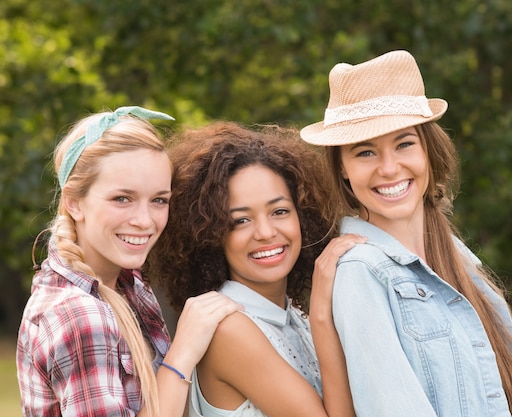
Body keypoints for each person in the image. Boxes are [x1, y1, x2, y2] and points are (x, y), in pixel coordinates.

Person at [300, 50, 512, 417]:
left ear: (429, 152)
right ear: (343, 170)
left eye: (404, 144)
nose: (389, 168)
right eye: (365, 152)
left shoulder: (456, 256)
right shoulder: (360, 272)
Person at [16, 106, 242, 417]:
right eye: (122, 198)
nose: (144, 221)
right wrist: (182, 353)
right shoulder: (79, 314)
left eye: (159, 200)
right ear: (73, 203)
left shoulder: (128, 283)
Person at [149, 121, 365, 417]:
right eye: (240, 220)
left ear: (302, 216)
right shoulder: (230, 329)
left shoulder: (292, 316)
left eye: (279, 212)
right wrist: (323, 307)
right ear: (211, 235)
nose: (265, 232)